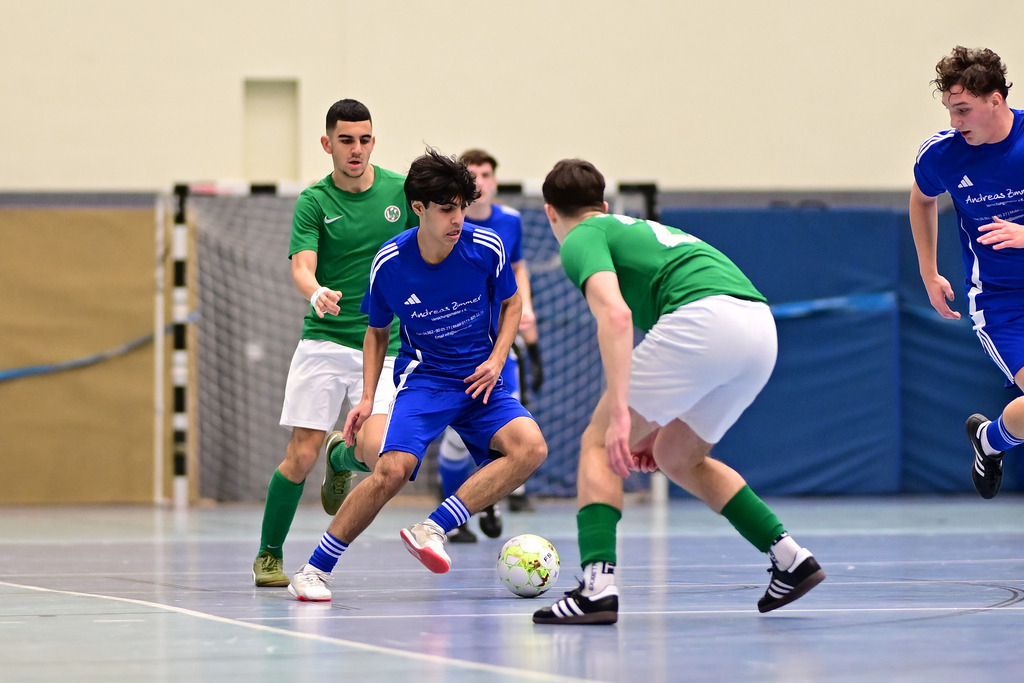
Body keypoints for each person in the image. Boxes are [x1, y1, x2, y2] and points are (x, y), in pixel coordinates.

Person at [532, 159, 825, 625]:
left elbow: (616, 317)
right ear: (604, 205)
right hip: (758, 329)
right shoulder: (637, 228)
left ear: (550, 213)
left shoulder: (581, 237)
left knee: (599, 441)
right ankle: (790, 558)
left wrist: (623, 419)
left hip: (703, 321)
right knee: (676, 454)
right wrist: (652, 421)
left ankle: (596, 586)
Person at [287, 149, 548, 602]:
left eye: (462, 207)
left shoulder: (486, 248)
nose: (457, 219)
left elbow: (511, 303)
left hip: (480, 379)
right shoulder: (389, 263)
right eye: (447, 209)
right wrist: (368, 399)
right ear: (419, 208)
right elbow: (376, 333)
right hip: (426, 380)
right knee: (390, 470)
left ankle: (434, 527)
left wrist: (497, 358)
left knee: (531, 448)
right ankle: (314, 569)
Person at [251, 98, 416, 587]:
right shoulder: (315, 201)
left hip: (385, 344)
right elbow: (302, 265)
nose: (356, 149)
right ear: (328, 143)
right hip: (326, 340)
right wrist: (316, 290)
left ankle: (342, 456)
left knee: (381, 453)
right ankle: (269, 555)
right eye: (346, 140)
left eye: (365, 140)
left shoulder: (399, 192)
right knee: (300, 454)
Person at [910, 46, 1024, 500]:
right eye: (950, 111)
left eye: (964, 110)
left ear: (995, 100)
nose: (956, 122)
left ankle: (990, 440)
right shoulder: (944, 155)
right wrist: (928, 271)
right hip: (1001, 302)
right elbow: (922, 200)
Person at [436, 148, 544, 544]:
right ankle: (457, 512)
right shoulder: (446, 229)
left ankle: (493, 498)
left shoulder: (510, 223)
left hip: (500, 347)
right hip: (460, 348)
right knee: (454, 440)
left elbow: (518, 272)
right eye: (473, 173)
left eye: (486, 173)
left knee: (508, 431)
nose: (481, 180)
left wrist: (528, 333)